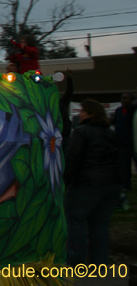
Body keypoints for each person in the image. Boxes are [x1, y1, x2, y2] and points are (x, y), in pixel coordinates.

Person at [63, 99, 122, 265]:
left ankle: (75, 259)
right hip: (111, 183)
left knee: (75, 219)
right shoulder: (110, 132)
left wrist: (65, 182)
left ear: (91, 114)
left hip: (87, 183)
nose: (79, 114)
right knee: (100, 224)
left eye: (82, 111)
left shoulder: (82, 132)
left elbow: (73, 158)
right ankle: (100, 261)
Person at [111, 92, 136, 205]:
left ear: (132, 100)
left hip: (133, 142)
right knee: (124, 165)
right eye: (122, 98)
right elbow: (114, 122)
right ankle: (126, 185)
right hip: (121, 143)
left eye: (126, 98)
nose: (123, 100)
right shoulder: (119, 111)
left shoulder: (133, 111)